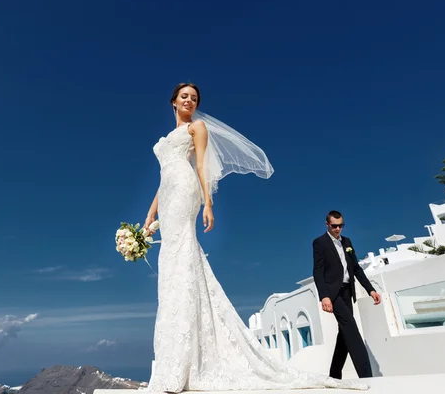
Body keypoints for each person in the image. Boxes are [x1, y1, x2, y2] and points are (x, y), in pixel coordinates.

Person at [143, 83, 369, 392]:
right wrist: (150, 213)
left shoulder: (198, 127)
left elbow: (199, 166)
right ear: (173, 101)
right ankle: (174, 360)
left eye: (194, 98)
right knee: (171, 265)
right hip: (167, 195)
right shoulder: (168, 138)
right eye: (184, 96)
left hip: (185, 191)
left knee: (183, 256)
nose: (189, 101)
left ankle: (183, 365)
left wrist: (208, 203)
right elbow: (163, 177)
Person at [312, 210, 382, 380]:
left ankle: (334, 375)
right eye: (334, 226)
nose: (338, 229)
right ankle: (367, 377)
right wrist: (324, 296)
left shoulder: (347, 242)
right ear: (327, 224)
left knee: (344, 333)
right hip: (333, 294)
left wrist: (370, 289)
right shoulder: (319, 243)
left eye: (341, 225)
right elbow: (318, 271)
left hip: (347, 292)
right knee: (352, 329)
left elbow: (356, 268)